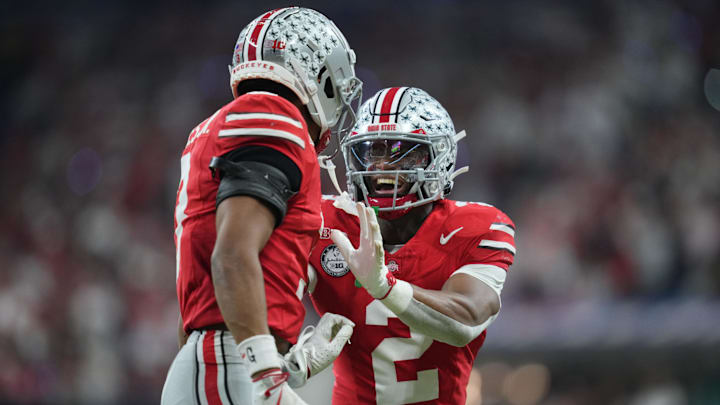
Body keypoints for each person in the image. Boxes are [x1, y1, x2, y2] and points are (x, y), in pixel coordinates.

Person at [162, 7, 363, 405]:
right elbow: (232, 255)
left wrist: (289, 364)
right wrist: (264, 370)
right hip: (230, 364)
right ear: (316, 73)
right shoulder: (272, 114)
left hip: (223, 361)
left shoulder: (224, 125)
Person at [308, 87, 516, 404]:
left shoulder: (475, 226)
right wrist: (287, 359)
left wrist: (385, 287)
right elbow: (272, 293)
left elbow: (464, 321)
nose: (382, 166)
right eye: (372, 151)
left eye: (403, 151)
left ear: (439, 157)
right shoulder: (323, 222)